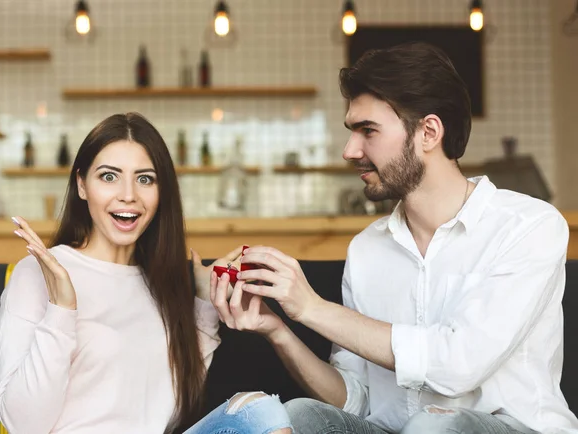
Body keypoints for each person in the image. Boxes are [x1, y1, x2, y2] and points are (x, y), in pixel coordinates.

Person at [209, 42, 578, 434]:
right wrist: (278, 330)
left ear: (429, 132)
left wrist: (311, 307)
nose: (350, 150)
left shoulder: (528, 226)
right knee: (300, 416)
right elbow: (358, 400)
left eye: (368, 131)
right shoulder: (367, 248)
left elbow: (457, 367)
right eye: (351, 131)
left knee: (435, 427)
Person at [0, 112, 292, 434]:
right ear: (81, 185)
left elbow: (168, 412)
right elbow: (22, 425)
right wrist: (61, 310)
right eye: (109, 177)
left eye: (145, 179)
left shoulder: (162, 281)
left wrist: (205, 305)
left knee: (261, 412)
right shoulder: (39, 273)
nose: (128, 194)